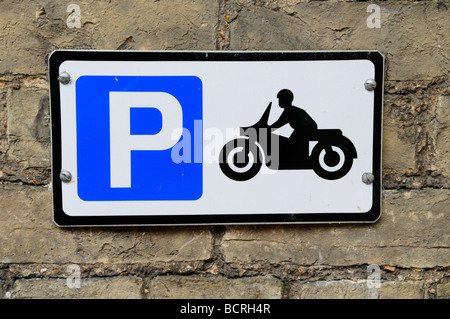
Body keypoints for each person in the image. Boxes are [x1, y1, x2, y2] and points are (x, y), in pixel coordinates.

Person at [270, 89, 318, 167]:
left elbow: (279, 123)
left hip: (304, 130)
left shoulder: (290, 110)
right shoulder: (289, 109)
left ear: (287, 99)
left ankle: (294, 159)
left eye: (281, 99)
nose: (279, 101)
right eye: (279, 99)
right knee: (290, 142)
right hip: (302, 129)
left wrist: (266, 129)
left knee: (290, 144)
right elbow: (279, 123)